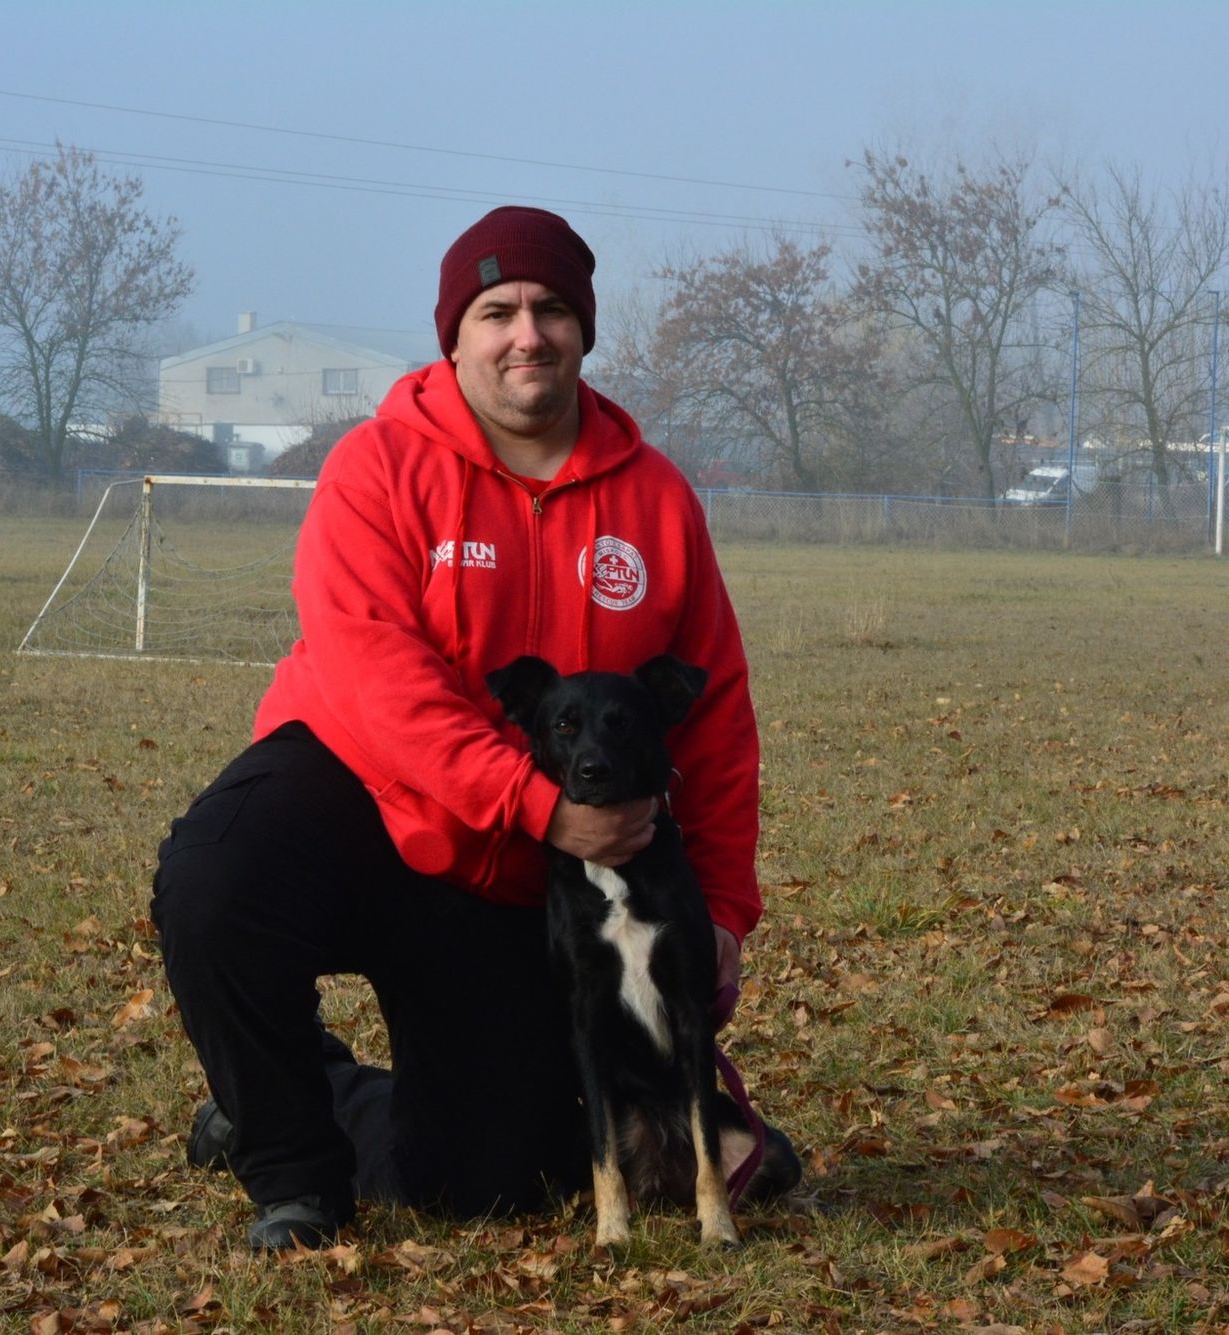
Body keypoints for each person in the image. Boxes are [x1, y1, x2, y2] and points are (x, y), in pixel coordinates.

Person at [151, 205, 789, 1251]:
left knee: (487, 1177)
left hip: (509, 882)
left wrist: (720, 906)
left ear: (583, 330)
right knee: (214, 880)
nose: (524, 334)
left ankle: (320, 1089)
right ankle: (289, 1166)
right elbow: (376, 681)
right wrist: (540, 804)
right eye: (495, 312)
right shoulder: (377, 468)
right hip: (361, 790)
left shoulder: (657, 501)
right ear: (454, 335)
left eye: (549, 310)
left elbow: (713, 718)